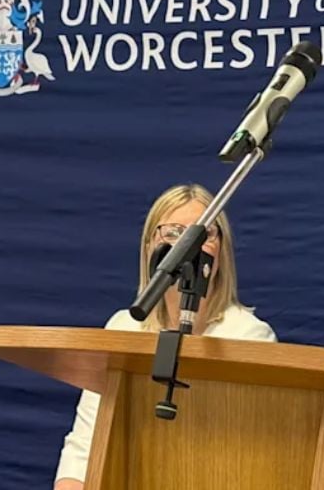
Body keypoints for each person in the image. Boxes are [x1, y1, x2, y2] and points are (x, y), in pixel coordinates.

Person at [53, 184, 276, 490]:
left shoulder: (250, 336)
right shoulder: (123, 328)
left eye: (204, 234)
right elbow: (85, 445)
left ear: (221, 252)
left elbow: (250, 457)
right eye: (172, 232)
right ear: (149, 248)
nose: (187, 246)